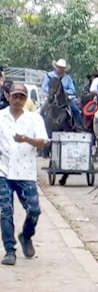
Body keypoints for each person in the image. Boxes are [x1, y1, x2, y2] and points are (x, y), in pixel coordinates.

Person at [0, 83, 49, 265]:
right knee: (5, 211)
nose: (18, 100)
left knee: (34, 210)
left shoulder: (34, 119)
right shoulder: (1, 117)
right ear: (7, 96)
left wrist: (26, 139)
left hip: (25, 171)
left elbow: (43, 141)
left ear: (26, 99)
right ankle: (9, 250)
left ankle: (26, 235)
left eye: (22, 97)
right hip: (3, 170)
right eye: (15, 96)